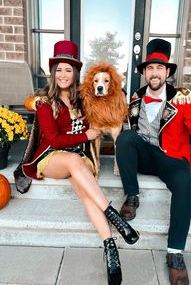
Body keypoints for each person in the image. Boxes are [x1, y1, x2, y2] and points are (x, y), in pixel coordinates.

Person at [18, 40, 139, 285]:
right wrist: (87, 136)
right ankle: (114, 215)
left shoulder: (82, 99)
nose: (63, 74)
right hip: (50, 157)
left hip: (77, 159)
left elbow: (110, 95)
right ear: (53, 73)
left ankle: (110, 249)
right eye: (59, 69)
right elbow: (53, 138)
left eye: (68, 69)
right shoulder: (44, 101)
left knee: (86, 193)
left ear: (75, 73)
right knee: (74, 159)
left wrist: (128, 96)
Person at [115, 39, 191, 285]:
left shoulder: (182, 99)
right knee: (125, 139)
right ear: (144, 72)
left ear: (167, 72)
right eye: (150, 68)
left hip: (171, 157)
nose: (154, 72)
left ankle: (175, 252)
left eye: (159, 68)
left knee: (183, 182)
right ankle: (132, 195)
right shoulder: (135, 97)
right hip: (144, 156)